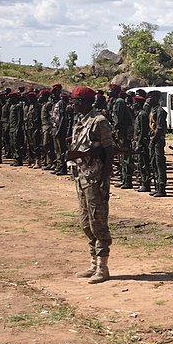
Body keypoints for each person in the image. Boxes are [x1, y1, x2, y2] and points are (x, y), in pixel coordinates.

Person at [67, 85, 117, 283]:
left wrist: (105, 180)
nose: (74, 104)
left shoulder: (99, 122)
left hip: (95, 179)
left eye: (76, 101)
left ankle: (102, 268)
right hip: (82, 177)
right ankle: (93, 264)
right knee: (85, 222)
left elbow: (110, 152)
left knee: (98, 222)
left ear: (86, 102)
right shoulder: (81, 121)